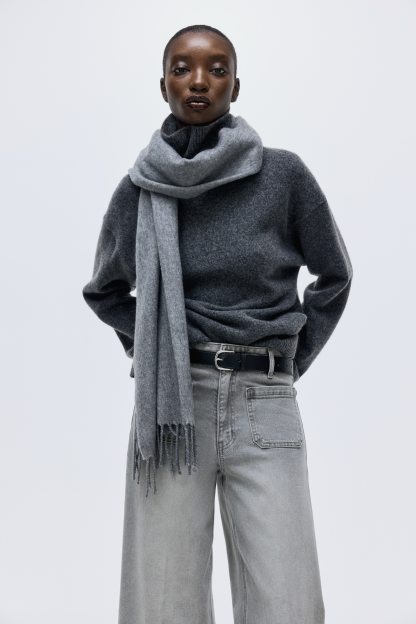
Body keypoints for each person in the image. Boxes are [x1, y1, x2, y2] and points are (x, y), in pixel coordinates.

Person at [82, 23, 353, 624]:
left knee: (288, 602)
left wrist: (290, 358)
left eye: (216, 68)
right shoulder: (140, 189)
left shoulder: (283, 176)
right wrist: (158, 347)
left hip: (266, 402)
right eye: (182, 69)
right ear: (163, 86)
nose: (199, 81)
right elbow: (104, 290)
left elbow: (334, 276)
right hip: (172, 406)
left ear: (236, 85)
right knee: (163, 603)